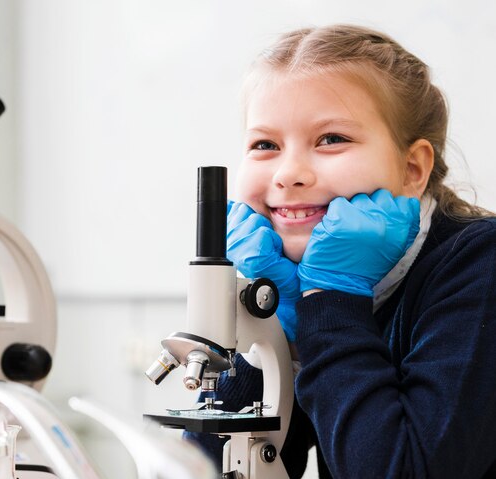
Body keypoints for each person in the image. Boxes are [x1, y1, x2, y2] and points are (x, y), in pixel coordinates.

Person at [184, 24, 496, 478]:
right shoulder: (290, 269)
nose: (289, 174)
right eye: (265, 145)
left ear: (412, 168)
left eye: (332, 139)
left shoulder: (480, 264)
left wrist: (330, 301)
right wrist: (271, 336)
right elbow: (216, 470)